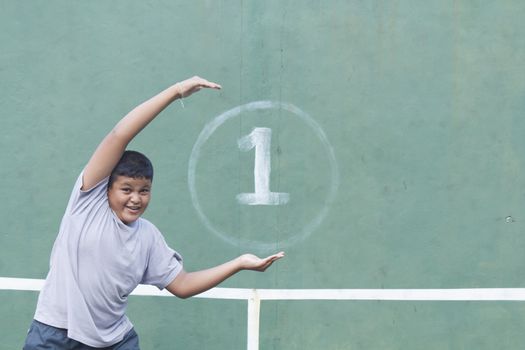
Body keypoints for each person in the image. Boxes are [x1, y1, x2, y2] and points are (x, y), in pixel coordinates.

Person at [23, 76, 285, 349]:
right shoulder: (87, 203)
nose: (136, 198)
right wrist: (175, 92)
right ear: (107, 189)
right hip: (55, 335)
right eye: (126, 189)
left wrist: (240, 263)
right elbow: (119, 135)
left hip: (114, 341)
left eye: (144, 190)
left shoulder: (147, 237)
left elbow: (182, 285)